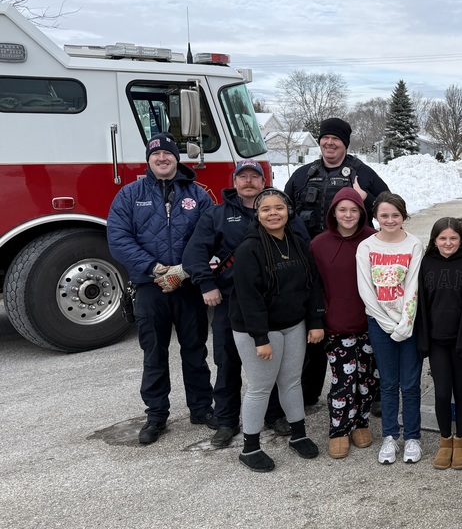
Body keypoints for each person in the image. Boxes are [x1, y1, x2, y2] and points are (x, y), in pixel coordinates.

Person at [107, 132, 215, 445]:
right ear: (149, 159)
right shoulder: (129, 195)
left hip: (188, 285)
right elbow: (118, 238)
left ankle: (201, 408)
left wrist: (182, 271)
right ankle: (156, 415)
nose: (162, 159)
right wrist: (156, 269)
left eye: (167, 154)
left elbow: (208, 236)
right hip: (150, 286)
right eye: (156, 155)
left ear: (176, 158)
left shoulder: (198, 194)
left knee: (195, 350)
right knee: (154, 353)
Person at [183, 160, 292, 448]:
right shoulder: (216, 215)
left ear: (263, 180)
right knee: (227, 361)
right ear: (234, 183)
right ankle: (227, 420)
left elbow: (298, 249)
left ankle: (274, 414)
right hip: (231, 302)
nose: (248, 181)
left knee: (273, 364)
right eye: (242, 176)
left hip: (273, 304)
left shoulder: (276, 211)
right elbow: (194, 253)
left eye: (254, 177)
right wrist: (206, 283)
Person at [285, 117, 390, 408]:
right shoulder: (303, 174)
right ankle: (308, 393)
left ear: (345, 144)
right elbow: (284, 211)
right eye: (325, 139)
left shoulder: (362, 173)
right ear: (319, 142)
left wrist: (366, 200)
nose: (330, 143)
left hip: (354, 258)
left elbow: (390, 210)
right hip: (314, 258)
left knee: (362, 324)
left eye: (336, 140)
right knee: (315, 325)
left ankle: (374, 391)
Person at [230, 188, 324, 472]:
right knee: (260, 387)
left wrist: (316, 321)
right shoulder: (249, 249)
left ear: (288, 212)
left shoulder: (296, 241)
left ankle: (298, 434)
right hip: (258, 330)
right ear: (257, 215)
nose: (273, 213)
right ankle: (250, 447)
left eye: (279, 208)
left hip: (293, 325)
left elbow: (312, 284)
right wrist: (260, 338)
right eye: (266, 209)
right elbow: (249, 298)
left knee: (292, 381)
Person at [355, 192, 424, 465]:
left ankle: (413, 438)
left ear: (404, 216)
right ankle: (390, 437)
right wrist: (386, 322)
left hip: (409, 323)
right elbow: (365, 288)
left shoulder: (414, 244)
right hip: (378, 322)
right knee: (388, 383)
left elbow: (413, 286)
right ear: (376, 217)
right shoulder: (367, 247)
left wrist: (405, 322)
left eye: (396, 215)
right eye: (384, 215)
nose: (390, 220)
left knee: (410, 384)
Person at [310, 187, 379, 459]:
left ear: (361, 213)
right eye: (342, 210)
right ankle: (339, 429)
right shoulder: (319, 244)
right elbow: (313, 286)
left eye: (353, 210)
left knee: (368, 380)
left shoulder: (373, 240)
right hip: (336, 325)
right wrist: (317, 318)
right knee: (343, 381)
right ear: (333, 213)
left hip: (371, 324)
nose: (348, 215)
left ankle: (360, 423)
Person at [416, 217, 462, 470]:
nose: (448, 243)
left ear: (461, 240)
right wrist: (423, 340)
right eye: (443, 238)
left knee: (461, 390)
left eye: (454, 238)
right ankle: (445, 440)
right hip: (437, 340)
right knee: (441, 393)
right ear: (434, 240)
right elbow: (420, 304)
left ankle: (461, 440)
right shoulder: (427, 263)